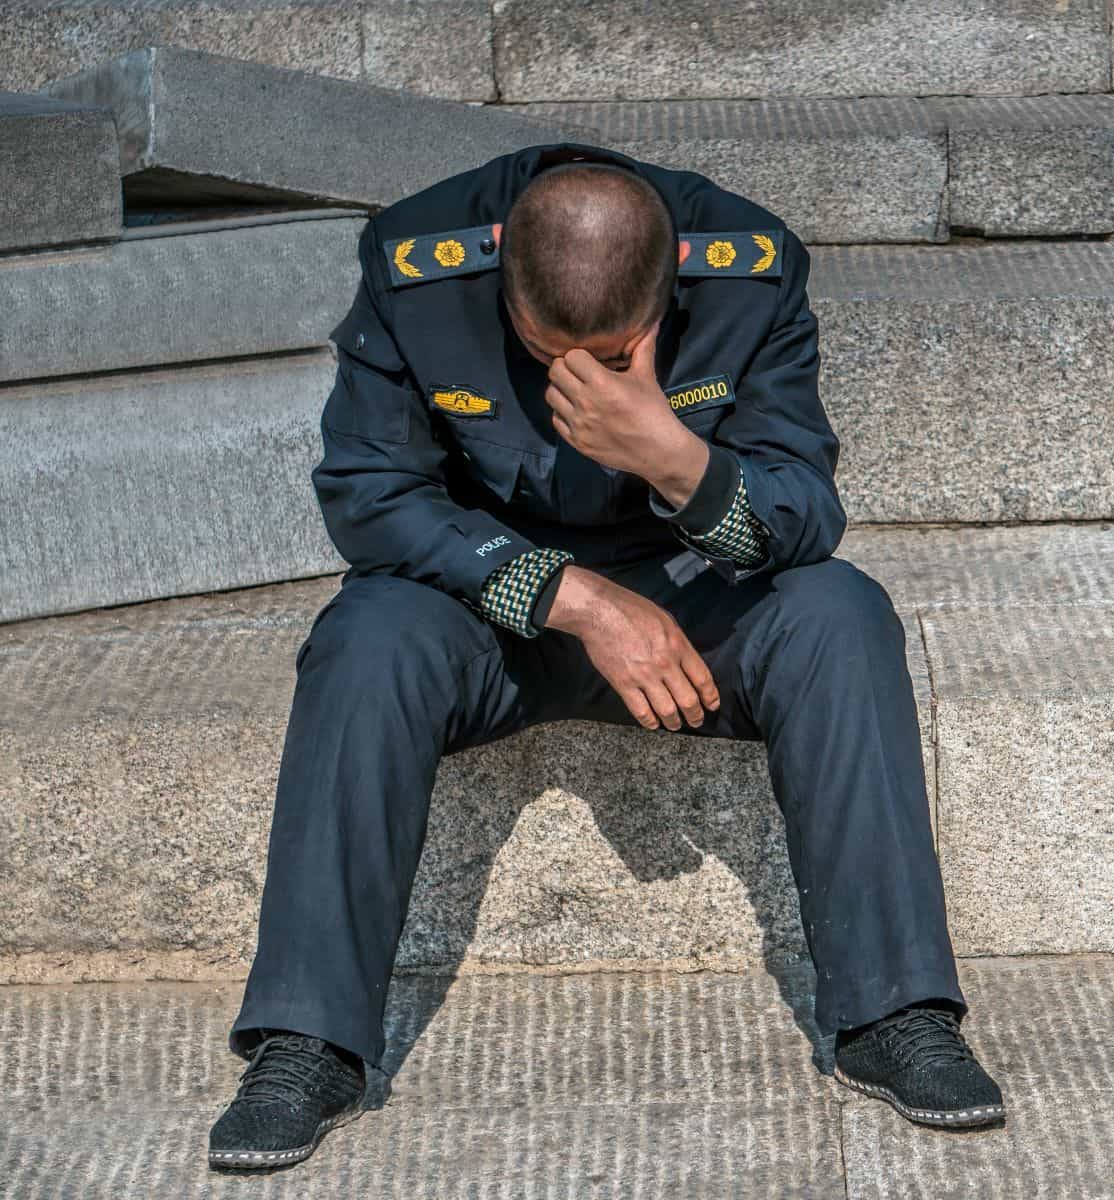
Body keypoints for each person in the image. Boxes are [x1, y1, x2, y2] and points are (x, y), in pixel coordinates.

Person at [207, 143, 1003, 1171]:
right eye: (544, 352)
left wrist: (671, 453)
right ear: (504, 291)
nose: (575, 377)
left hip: (694, 598)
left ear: (670, 291)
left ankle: (895, 1017)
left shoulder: (748, 270)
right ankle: (307, 1042)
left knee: (841, 614)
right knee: (364, 641)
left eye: (616, 350)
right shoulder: (416, 266)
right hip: (490, 609)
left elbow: (805, 517)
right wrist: (568, 597)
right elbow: (371, 496)